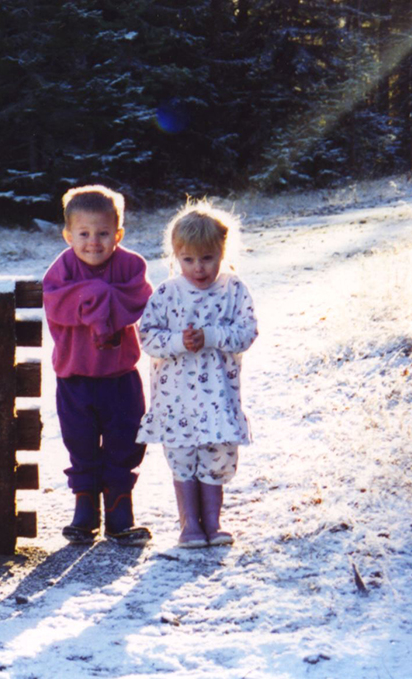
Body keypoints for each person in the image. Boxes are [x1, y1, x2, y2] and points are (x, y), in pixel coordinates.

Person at [136, 200, 258, 548]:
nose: (198, 268)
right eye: (188, 259)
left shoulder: (234, 290)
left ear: (222, 252)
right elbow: (147, 337)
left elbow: (248, 332)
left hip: (218, 398)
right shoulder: (167, 293)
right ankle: (189, 524)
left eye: (207, 258)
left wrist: (213, 336)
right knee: (183, 458)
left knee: (216, 457)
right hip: (177, 401)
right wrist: (178, 341)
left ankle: (214, 523)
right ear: (175, 256)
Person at [43, 185, 154, 546]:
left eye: (104, 233)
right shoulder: (60, 271)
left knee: (125, 441)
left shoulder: (131, 265)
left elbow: (138, 301)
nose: (94, 242)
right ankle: (85, 508)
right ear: (68, 235)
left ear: (118, 234)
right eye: (84, 234)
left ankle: (121, 511)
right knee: (82, 443)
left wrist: (103, 299)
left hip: (121, 376)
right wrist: (97, 296)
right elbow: (57, 306)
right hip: (75, 377)